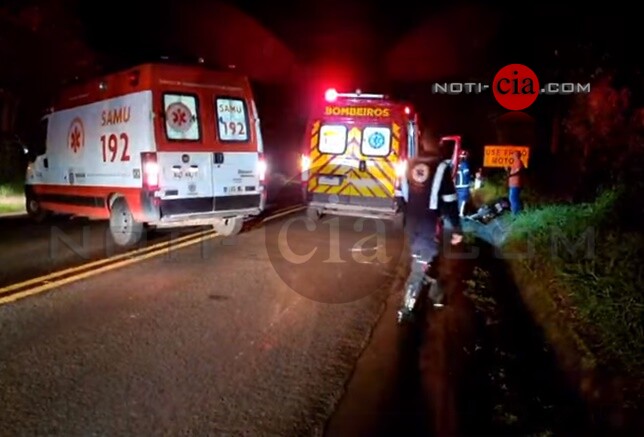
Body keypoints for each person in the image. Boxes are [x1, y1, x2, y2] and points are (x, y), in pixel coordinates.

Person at [397, 132, 463, 323]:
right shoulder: (441, 167)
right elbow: (450, 202)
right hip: (429, 225)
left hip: (411, 225)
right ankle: (406, 310)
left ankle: (437, 295)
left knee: (423, 260)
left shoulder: (407, 164)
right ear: (440, 146)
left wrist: (409, 212)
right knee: (420, 266)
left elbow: (399, 195)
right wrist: (456, 229)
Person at [455, 150, 471, 216]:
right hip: (464, 185)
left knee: (458, 199)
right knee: (463, 200)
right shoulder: (465, 164)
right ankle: (461, 213)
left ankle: (458, 212)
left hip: (457, 185)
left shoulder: (456, 163)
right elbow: (466, 174)